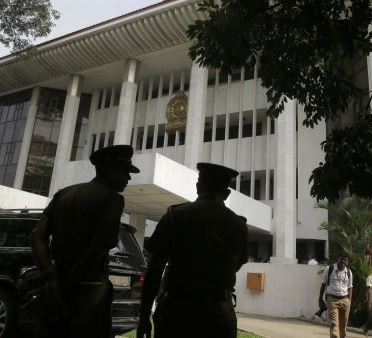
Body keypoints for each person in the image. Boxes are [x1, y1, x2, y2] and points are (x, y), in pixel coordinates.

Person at [30, 145, 140, 338]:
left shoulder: (63, 194)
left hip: (58, 282)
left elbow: (37, 236)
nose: (128, 178)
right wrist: (67, 286)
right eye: (124, 172)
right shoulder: (113, 200)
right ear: (106, 169)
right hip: (90, 289)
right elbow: (98, 248)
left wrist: (52, 279)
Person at [136, 162, 249, 338]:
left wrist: (144, 316)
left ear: (198, 186)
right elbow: (238, 263)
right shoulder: (239, 225)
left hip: (178, 312)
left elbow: (155, 269)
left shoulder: (175, 216)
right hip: (220, 314)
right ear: (227, 193)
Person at [318, 252, 353, 338]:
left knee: (343, 325)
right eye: (342, 259)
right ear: (338, 258)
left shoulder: (348, 272)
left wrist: (349, 302)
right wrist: (320, 299)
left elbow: (350, 287)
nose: (343, 261)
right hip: (332, 300)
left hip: (345, 301)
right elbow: (323, 284)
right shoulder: (329, 269)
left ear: (347, 262)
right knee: (334, 324)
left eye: (345, 260)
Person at [361, 270, 372, 336]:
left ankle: (366, 327)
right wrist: (369, 301)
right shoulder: (370, 277)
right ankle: (366, 327)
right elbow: (369, 290)